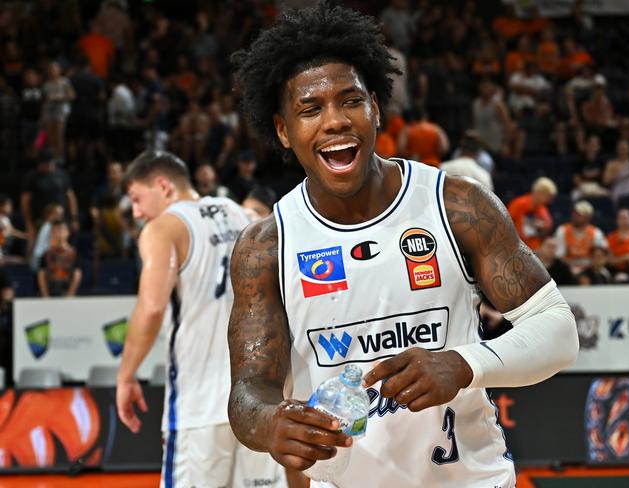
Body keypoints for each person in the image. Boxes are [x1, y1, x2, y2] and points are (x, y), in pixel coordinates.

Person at [228, 4, 578, 488]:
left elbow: (559, 330)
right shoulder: (266, 246)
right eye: (310, 109)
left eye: (350, 100)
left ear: (375, 105)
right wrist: (269, 423)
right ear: (284, 131)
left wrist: (462, 363)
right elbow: (249, 391)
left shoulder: (456, 204)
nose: (334, 122)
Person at [116, 151, 283, 488]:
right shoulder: (244, 214)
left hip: (200, 405)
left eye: (136, 198)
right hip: (259, 401)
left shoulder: (163, 228)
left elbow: (151, 308)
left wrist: (126, 376)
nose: (136, 212)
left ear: (162, 186)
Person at [554, 200, 608, 276]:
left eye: (579, 215)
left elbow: (601, 255)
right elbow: (559, 255)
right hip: (568, 270)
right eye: (575, 213)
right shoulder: (562, 230)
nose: (575, 216)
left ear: (588, 217)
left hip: (590, 270)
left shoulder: (596, 233)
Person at [507, 177, 557, 251]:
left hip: (533, 249)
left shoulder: (542, 209)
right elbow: (506, 223)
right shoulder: (519, 203)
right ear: (540, 193)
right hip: (516, 245)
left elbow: (548, 227)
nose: (549, 201)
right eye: (548, 197)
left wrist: (542, 227)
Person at [36, 220, 82, 297]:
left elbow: (77, 274)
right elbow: (41, 274)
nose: (58, 234)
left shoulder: (74, 253)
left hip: (67, 294)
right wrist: (45, 295)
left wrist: (70, 294)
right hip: (49, 294)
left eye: (61, 230)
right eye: (55, 231)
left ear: (67, 232)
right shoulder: (46, 254)